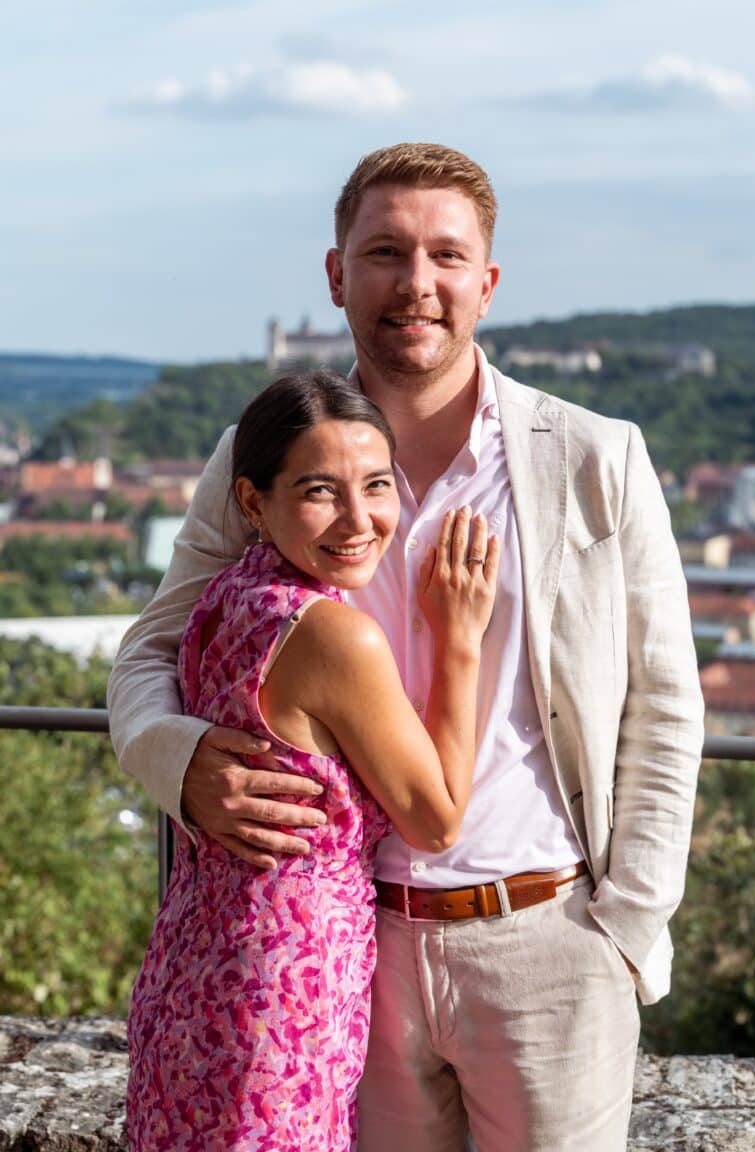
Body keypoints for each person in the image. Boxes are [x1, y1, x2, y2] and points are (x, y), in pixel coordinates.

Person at [108, 143, 705, 1152]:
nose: (415, 283)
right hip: (348, 947)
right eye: (384, 251)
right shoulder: (266, 451)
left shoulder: (598, 459)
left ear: (488, 281)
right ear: (336, 274)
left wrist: (624, 930)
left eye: (444, 255)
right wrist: (178, 761)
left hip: (547, 945)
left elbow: (666, 708)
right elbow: (150, 650)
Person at [124, 369, 498, 1151]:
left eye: (375, 485)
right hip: (279, 987)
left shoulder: (224, 599)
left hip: (192, 962)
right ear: (253, 501)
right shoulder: (334, 635)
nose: (359, 520)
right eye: (321, 491)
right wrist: (458, 639)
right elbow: (434, 819)